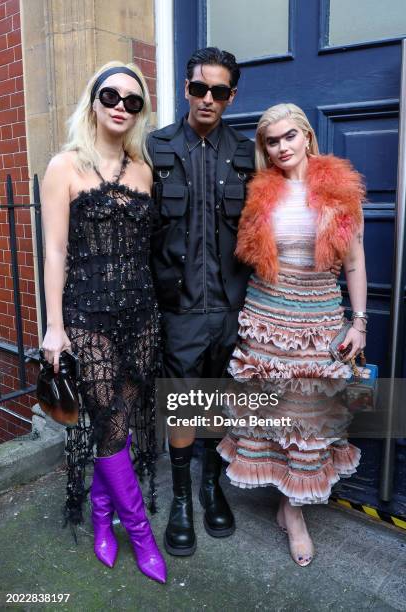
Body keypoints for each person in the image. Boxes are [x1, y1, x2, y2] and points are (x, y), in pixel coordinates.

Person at [218, 103, 367, 567]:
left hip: (319, 320)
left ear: (306, 136)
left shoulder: (340, 189)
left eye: (288, 137)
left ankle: (294, 510)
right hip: (266, 320)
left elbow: (355, 262)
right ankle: (286, 501)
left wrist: (359, 322)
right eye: (272, 141)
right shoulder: (261, 193)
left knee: (309, 420)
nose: (281, 148)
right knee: (275, 417)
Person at [41, 61, 166, 583]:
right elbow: (54, 249)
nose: (121, 106)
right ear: (93, 101)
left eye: (133, 101)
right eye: (111, 96)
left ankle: (100, 513)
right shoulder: (65, 167)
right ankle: (139, 534)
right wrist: (54, 326)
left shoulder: (144, 170)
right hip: (87, 315)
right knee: (110, 423)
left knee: (118, 420)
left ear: (140, 113)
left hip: (141, 315)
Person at [147, 47, 256, 556]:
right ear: (186, 88)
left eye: (218, 91)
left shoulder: (247, 153)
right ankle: (183, 501)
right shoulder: (156, 147)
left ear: (231, 97)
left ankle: (213, 488)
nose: (206, 98)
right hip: (180, 307)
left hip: (231, 305)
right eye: (198, 88)